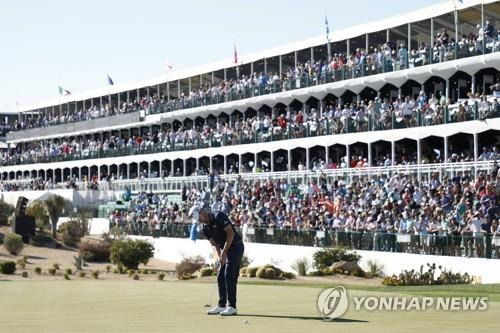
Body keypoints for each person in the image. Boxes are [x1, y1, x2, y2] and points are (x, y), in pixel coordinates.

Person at [189, 202, 244, 316]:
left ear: (202, 212)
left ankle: (232, 306)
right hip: (225, 250)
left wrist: (224, 253)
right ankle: (221, 305)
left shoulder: (219, 216)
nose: (199, 221)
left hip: (235, 247)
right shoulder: (205, 228)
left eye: (199, 218)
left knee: (229, 275)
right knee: (220, 275)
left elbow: (231, 234)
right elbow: (214, 244)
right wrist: (219, 257)